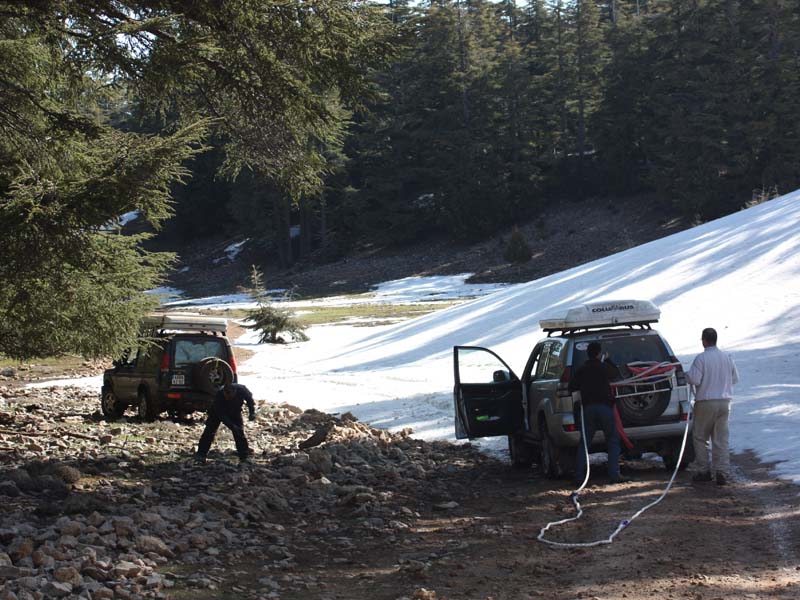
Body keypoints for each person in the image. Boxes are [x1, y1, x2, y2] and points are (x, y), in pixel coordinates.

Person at [686, 328, 739, 486]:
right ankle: (722, 472)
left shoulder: (701, 359)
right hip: (725, 402)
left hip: (706, 402)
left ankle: (703, 470)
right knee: (721, 439)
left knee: (700, 437)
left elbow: (695, 379)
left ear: (703, 340)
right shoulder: (727, 357)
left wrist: (686, 376)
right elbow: (735, 379)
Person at [569, 341, 626, 484]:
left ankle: (580, 476)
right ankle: (614, 474)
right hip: (605, 408)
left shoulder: (582, 369)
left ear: (587, 354)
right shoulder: (603, 367)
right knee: (612, 440)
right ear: (599, 353)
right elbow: (615, 374)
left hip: (588, 409)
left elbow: (571, 386)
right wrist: (608, 359)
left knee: (584, 443)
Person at [195, 382, 256, 465]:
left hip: (235, 411)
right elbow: (221, 415)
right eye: (226, 396)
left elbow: (250, 400)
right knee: (209, 431)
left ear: (235, 392)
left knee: (239, 432)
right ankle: (201, 454)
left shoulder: (242, 389)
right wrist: (232, 426)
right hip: (217, 413)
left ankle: (244, 456)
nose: (228, 398)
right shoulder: (219, 395)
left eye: (230, 396)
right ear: (224, 392)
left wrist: (252, 412)